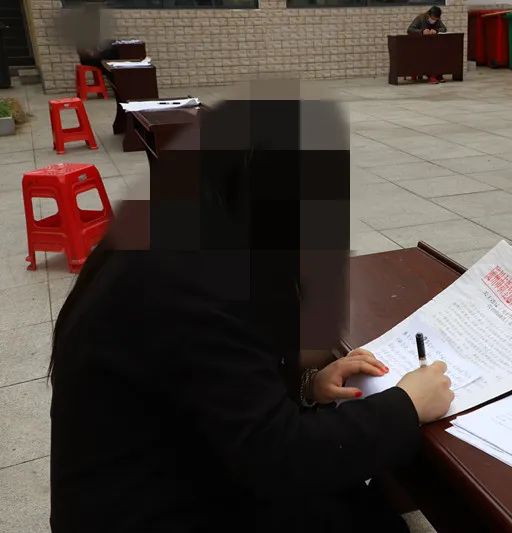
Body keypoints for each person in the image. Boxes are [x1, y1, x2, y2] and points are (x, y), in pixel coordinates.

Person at [49, 98, 455, 533]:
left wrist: (307, 386)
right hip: (146, 506)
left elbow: (213, 385)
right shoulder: (191, 282)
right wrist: (407, 404)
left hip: (176, 465)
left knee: (361, 504)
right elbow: (278, 458)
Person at [407, 6, 447, 84]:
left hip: (433, 45)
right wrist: (422, 31)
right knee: (428, 55)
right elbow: (410, 30)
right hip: (420, 45)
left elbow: (444, 29)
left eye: (436, 19)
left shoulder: (437, 20)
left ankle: (438, 75)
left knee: (440, 53)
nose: (434, 20)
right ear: (429, 15)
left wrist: (436, 31)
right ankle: (431, 76)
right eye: (433, 18)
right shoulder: (420, 18)